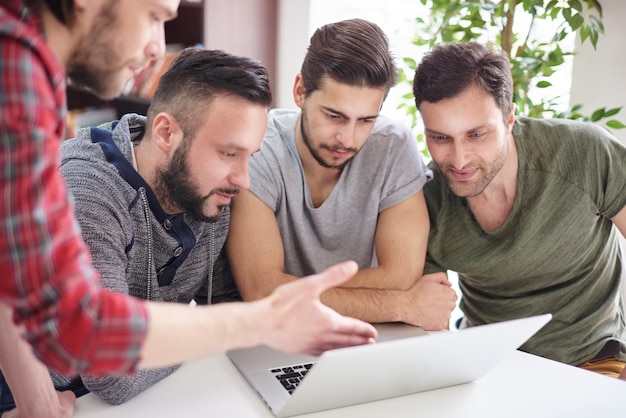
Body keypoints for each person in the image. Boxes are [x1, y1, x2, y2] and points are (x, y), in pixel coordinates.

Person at [0, 1, 377, 416]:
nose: (155, 50)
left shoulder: (206, 191)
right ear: (165, 132)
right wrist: (246, 324)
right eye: (154, 16)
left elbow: (225, 307)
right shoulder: (86, 182)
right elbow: (105, 365)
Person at [225, 18, 458, 329]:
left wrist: (290, 290)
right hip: (283, 334)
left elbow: (402, 276)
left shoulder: (393, 147)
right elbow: (262, 292)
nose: (348, 139)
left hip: (373, 334)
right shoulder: (258, 150)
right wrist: (403, 305)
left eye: (365, 120)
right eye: (334, 116)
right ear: (300, 92)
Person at [412, 41, 626, 378]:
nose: (459, 159)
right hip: (488, 368)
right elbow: (429, 320)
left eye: (477, 134)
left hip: (594, 360)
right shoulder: (425, 199)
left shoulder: (585, 153)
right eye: (440, 138)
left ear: (510, 116)